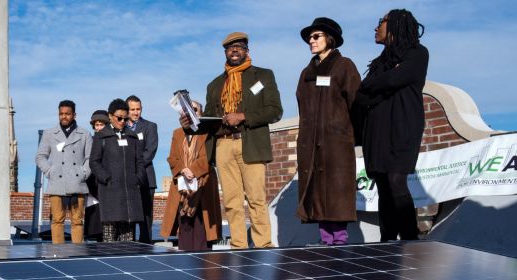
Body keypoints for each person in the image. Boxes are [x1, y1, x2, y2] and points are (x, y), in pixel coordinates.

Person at [180, 31, 283, 249]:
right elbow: (209, 120)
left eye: (239, 46)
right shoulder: (215, 85)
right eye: (229, 47)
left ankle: (264, 245)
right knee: (232, 202)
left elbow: (275, 111)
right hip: (223, 145)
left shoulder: (263, 76)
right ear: (225, 52)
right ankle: (238, 246)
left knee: (256, 198)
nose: (234, 50)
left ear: (247, 50)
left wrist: (244, 116)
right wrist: (191, 121)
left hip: (250, 142)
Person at [354, 9, 428, 241]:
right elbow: (362, 95)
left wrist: (377, 84)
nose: (376, 28)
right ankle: (386, 241)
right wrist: (381, 83)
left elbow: (395, 79)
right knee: (383, 184)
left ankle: (409, 239)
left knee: (396, 179)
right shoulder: (379, 62)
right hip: (376, 131)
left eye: (381, 22)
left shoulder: (417, 53)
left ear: (395, 24)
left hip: (403, 126)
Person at [295, 17, 361, 245]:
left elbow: (357, 104)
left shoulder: (344, 66)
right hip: (311, 143)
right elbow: (301, 106)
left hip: (336, 143)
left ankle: (340, 240)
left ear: (330, 39)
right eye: (309, 38)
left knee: (337, 190)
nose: (311, 41)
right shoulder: (306, 72)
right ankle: (325, 240)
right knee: (316, 191)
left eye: (316, 36)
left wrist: (351, 135)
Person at [161, 100, 222, 251]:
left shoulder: (208, 131)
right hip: (182, 187)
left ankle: (204, 266)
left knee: (202, 227)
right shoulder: (177, 133)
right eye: (187, 110)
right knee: (185, 226)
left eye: (195, 109)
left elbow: (209, 156)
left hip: (204, 184)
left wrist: (193, 170)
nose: (191, 112)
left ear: (200, 113)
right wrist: (183, 169)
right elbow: (172, 158)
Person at [35, 100, 93, 244]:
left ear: (74, 115)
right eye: (61, 114)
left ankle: (77, 254)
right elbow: (40, 156)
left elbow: (90, 158)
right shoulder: (49, 133)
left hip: (77, 184)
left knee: (77, 221)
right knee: (56, 221)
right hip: (57, 184)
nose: (64, 116)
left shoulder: (84, 134)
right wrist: (50, 172)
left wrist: (83, 174)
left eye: (67, 114)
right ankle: (57, 254)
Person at [89, 99, 146, 242]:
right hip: (110, 193)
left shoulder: (132, 137)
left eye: (125, 118)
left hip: (130, 194)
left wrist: (138, 178)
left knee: (127, 241)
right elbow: (94, 162)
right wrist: (106, 178)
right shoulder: (101, 136)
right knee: (109, 239)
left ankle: (127, 263)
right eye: (119, 118)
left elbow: (139, 161)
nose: (122, 121)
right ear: (110, 116)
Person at [126, 95, 158, 244]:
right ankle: (130, 246)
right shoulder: (121, 128)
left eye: (138, 109)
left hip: (146, 178)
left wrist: (133, 167)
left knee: (146, 216)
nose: (135, 112)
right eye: (132, 109)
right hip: (127, 179)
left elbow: (150, 151)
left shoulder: (150, 126)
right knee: (129, 215)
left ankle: (145, 245)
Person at [84, 110, 108, 242]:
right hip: (93, 186)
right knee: (96, 226)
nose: (98, 127)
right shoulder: (90, 141)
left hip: (107, 185)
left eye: (101, 124)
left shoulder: (111, 140)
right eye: (96, 125)